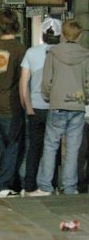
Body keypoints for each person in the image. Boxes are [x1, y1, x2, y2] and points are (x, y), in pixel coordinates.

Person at [34, 20, 89, 196]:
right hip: (77, 104)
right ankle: (70, 186)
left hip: (57, 104)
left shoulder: (53, 53)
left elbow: (46, 80)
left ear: (63, 35)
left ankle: (46, 185)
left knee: (50, 145)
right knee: (73, 147)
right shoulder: (86, 55)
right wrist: (85, 98)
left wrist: (49, 96)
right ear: (79, 36)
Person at [0, 9, 26, 199]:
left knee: (2, 143)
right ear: (16, 24)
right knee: (15, 144)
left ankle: (13, 183)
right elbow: (24, 80)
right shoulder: (19, 49)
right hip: (14, 102)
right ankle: (2, 184)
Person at [19, 17, 62, 197]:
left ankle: (29, 185)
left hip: (35, 107)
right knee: (54, 148)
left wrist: (27, 106)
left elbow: (24, 83)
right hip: (56, 107)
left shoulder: (31, 53)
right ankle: (50, 183)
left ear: (43, 35)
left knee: (34, 148)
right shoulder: (62, 53)